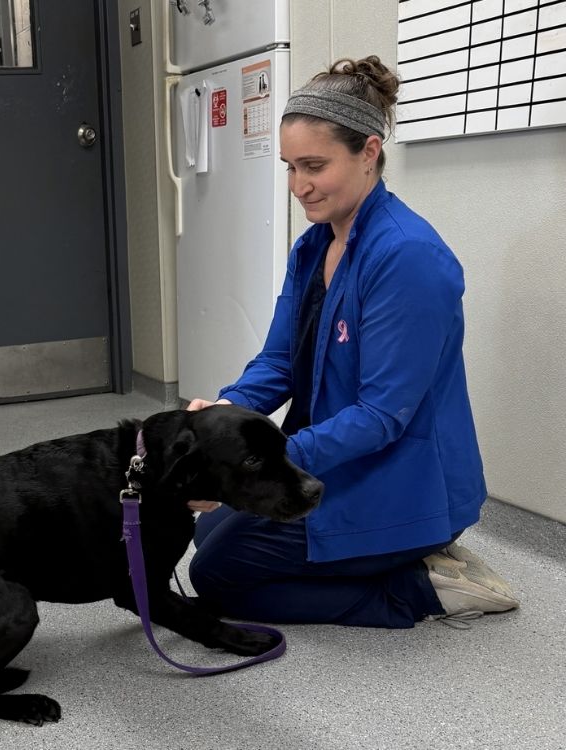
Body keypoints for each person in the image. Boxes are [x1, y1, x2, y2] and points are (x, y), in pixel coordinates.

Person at [186, 56, 519, 629]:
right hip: (340, 459)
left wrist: (259, 461)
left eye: (314, 166)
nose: (298, 186)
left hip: (402, 481)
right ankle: (396, 563)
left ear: (369, 151)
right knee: (209, 529)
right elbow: (278, 362)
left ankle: (419, 588)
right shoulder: (314, 246)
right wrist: (224, 418)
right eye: (289, 168)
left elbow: (383, 416)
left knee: (218, 576)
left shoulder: (408, 257)